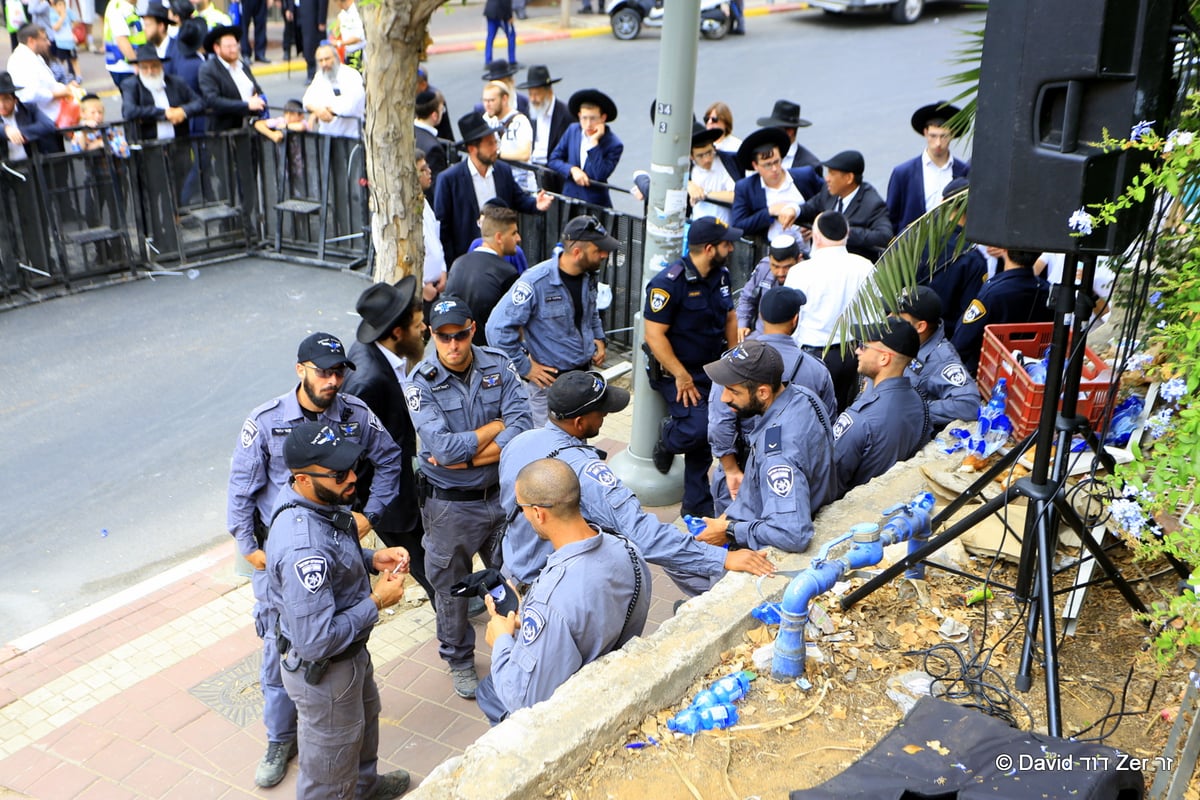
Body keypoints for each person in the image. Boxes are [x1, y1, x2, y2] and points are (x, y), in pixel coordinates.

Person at [227, 332, 402, 789]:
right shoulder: (266, 421)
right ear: (299, 369)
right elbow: (241, 488)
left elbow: (389, 461)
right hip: (286, 553)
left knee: (357, 703)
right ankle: (281, 738)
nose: (332, 380)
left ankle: (361, 782)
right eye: (322, 371)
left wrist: (366, 531)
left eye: (339, 371)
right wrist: (250, 548)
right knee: (282, 648)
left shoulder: (354, 415)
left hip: (332, 541)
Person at [499, 371, 775, 592]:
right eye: (601, 411)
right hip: (554, 591)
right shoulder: (587, 472)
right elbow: (645, 536)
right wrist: (724, 558)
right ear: (580, 423)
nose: (606, 415)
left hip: (513, 576)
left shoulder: (519, 443)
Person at [265, 421, 412, 800]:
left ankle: (365, 787)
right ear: (302, 478)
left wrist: (371, 558)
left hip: (350, 656)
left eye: (350, 466)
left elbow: (336, 553)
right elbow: (316, 641)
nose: (351, 478)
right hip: (326, 671)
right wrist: (377, 601)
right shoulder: (303, 550)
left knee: (363, 727)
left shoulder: (317, 500)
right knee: (330, 771)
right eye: (337, 473)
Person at [405, 296, 533, 700]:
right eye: (443, 337)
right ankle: (459, 658)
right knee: (451, 588)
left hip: (501, 495)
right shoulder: (419, 382)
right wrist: (493, 429)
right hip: (450, 506)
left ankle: (516, 642)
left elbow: (522, 426)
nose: (453, 345)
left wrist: (470, 454)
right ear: (432, 335)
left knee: (511, 575)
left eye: (460, 335)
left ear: (472, 329)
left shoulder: (498, 364)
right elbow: (441, 449)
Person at [476, 458, 651, 724]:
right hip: (613, 675)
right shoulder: (627, 549)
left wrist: (501, 639)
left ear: (538, 513)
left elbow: (522, 700)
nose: (522, 514)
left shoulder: (550, 600)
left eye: (521, 508)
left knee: (490, 693)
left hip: (570, 710)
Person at [342, 278, 438, 607]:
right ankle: (451, 622)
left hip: (403, 488)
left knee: (431, 559)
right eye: (416, 324)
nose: (424, 328)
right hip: (389, 502)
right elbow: (353, 454)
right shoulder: (368, 381)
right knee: (428, 565)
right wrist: (369, 511)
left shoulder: (385, 358)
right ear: (396, 332)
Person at [697, 339, 836, 553]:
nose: (724, 398)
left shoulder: (777, 454)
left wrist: (730, 530)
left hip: (759, 550)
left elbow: (792, 534)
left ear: (762, 392)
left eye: (733, 391)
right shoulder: (803, 395)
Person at [644, 216, 739, 519]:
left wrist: (734, 356)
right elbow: (654, 335)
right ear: (710, 248)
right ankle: (668, 436)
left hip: (712, 368)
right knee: (699, 430)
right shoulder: (668, 283)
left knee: (715, 429)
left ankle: (696, 507)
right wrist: (681, 375)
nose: (732, 248)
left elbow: (730, 318)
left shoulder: (721, 275)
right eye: (727, 244)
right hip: (678, 372)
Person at [710, 286, 836, 514]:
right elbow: (826, 428)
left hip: (740, 471)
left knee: (734, 539)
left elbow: (720, 423)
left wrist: (730, 470)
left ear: (760, 316)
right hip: (795, 480)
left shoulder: (733, 362)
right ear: (795, 320)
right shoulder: (816, 370)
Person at [487, 214, 613, 427]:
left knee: (578, 446)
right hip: (550, 387)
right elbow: (496, 330)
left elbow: (590, 311)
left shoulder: (588, 274)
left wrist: (599, 338)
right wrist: (525, 367)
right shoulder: (536, 281)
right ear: (576, 252)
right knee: (548, 453)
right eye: (597, 250)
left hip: (582, 378)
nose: (604, 254)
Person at [433, 110, 551, 265]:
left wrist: (536, 204)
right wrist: (450, 266)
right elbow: (443, 228)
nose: (495, 148)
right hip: (467, 260)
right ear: (472, 149)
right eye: (489, 143)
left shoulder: (502, 170)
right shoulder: (449, 180)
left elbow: (517, 199)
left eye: (495, 142)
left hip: (502, 256)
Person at [832, 317, 932, 499]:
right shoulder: (918, 402)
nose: (857, 351)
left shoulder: (859, 419)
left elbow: (832, 479)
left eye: (864, 346)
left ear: (884, 358)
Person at [783, 211, 873, 412]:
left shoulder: (800, 271)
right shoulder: (863, 266)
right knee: (841, 412)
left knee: (810, 413)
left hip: (813, 355)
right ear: (847, 233)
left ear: (815, 236)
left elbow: (790, 319)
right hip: (851, 355)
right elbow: (873, 317)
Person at [951, 248, 1054, 376]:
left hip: (985, 372)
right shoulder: (1048, 291)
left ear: (1005, 250)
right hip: (1031, 371)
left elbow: (962, 340)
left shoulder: (993, 292)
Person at [891, 285, 978, 428]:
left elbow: (969, 405)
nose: (890, 319)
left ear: (920, 327)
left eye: (897, 317)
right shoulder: (903, 339)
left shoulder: (941, 359)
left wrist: (912, 409)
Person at [916, 177, 987, 337]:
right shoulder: (973, 260)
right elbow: (967, 318)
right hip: (939, 339)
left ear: (943, 202)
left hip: (901, 334)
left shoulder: (911, 239)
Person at [443, 202, 522, 345]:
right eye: (514, 233)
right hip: (492, 357)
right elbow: (515, 323)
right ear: (499, 237)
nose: (518, 238)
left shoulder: (458, 264)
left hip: (456, 350)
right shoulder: (507, 273)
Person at [887, 101, 970, 233]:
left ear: (952, 134)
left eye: (943, 136)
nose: (938, 143)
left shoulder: (964, 171)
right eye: (933, 136)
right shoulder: (903, 173)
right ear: (925, 133)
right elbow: (891, 217)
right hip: (912, 247)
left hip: (953, 246)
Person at [797, 150, 893, 262]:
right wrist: (793, 210)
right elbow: (810, 208)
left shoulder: (872, 204)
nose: (827, 178)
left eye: (832, 173)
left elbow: (884, 236)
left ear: (849, 178)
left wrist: (840, 232)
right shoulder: (828, 191)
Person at [731, 126, 822, 241]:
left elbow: (828, 197)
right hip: (772, 252)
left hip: (808, 249)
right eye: (767, 165)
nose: (774, 169)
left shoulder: (805, 176)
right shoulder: (746, 188)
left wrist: (817, 225)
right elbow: (738, 226)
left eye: (777, 162)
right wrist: (769, 212)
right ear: (755, 166)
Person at [548, 89, 623, 208]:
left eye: (593, 118)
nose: (588, 124)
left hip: (595, 205)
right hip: (569, 201)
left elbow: (599, 175)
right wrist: (572, 169)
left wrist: (594, 143)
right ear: (579, 116)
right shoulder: (573, 130)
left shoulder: (614, 144)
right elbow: (553, 159)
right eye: (584, 118)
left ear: (603, 118)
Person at [121, 43, 203, 142]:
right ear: (138, 68)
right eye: (145, 67)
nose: (150, 71)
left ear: (161, 66)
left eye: (154, 66)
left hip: (179, 144)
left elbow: (199, 102)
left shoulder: (176, 82)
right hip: (149, 146)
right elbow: (129, 111)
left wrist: (182, 111)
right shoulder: (131, 85)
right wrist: (164, 113)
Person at [198, 25, 266, 132]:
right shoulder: (209, 69)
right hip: (224, 132)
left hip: (250, 128)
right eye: (229, 47)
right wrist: (246, 105)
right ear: (217, 48)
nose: (234, 50)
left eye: (235, 45)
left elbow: (256, 88)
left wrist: (259, 98)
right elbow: (213, 100)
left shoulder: (242, 66)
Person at [735, 234, 801, 340]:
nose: (780, 273)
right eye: (775, 266)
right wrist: (743, 323)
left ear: (799, 259)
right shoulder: (764, 267)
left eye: (787, 267)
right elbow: (747, 298)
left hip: (794, 339)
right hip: (761, 335)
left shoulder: (808, 274)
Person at [8, 23, 75, 124]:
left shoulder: (34, 56)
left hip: (52, 117)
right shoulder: (21, 60)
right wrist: (59, 94)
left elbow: (48, 83)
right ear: (31, 40)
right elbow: (29, 95)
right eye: (44, 39)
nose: (48, 43)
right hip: (43, 122)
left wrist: (66, 88)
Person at [518, 64, 570, 194]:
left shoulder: (565, 114)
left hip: (555, 176)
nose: (533, 99)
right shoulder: (528, 113)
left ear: (549, 91)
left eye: (537, 94)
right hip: (533, 172)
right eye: (530, 94)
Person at [481, 78, 534, 192]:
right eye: (485, 100)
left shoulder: (520, 121)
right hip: (496, 183)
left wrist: (497, 154)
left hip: (522, 186)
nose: (487, 105)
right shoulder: (485, 119)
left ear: (504, 99)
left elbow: (525, 154)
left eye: (491, 100)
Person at [302, 44, 365, 138]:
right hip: (326, 136)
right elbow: (307, 101)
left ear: (336, 58)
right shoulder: (320, 76)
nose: (324, 64)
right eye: (320, 60)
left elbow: (349, 107)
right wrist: (317, 110)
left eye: (327, 59)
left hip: (351, 137)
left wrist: (322, 110)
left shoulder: (351, 75)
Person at [687, 120, 739, 225]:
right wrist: (688, 184)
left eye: (709, 152)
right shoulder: (688, 169)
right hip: (698, 226)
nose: (707, 159)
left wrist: (705, 194)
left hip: (723, 228)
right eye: (700, 156)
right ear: (691, 156)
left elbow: (737, 196)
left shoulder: (725, 163)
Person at [417, 148, 447, 317]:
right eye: (422, 170)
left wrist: (442, 270)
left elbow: (435, 239)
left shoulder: (425, 202)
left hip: (434, 287)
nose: (429, 172)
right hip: (421, 291)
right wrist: (421, 286)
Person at [0, 70, 55, 160]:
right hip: (5, 169)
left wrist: (20, 132)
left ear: (15, 100)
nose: (2, 105)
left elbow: (48, 125)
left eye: (6, 99)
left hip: (31, 165)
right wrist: (5, 130)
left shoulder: (28, 109)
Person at [755, 99, 821, 171]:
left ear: (790, 132)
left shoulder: (810, 166)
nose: (770, 133)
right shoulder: (759, 157)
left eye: (775, 129)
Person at [414, 89, 449, 196]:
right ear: (434, 115)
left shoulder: (410, 132)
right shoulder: (433, 148)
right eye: (441, 110)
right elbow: (436, 187)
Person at [103, 0, 142, 89]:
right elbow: (121, 40)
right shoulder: (119, 8)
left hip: (125, 66)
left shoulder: (124, 6)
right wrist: (136, 64)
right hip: (126, 67)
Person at [47, 0, 80, 79]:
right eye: (59, 5)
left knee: (74, 59)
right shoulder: (53, 14)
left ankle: (78, 76)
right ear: (55, 6)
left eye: (62, 5)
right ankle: (62, 76)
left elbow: (76, 21)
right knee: (61, 60)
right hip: (60, 43)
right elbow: (55, 28)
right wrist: (62, 17)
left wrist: (71, 30)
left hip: (70, 42)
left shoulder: (68, 11)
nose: (61, 7)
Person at [330, 0, 364, 72]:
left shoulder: (357, 12)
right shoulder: (343, 13)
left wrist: (339, 43)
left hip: (359, 53)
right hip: (348, 52)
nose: (336, 5)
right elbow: (336, 30)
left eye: (336, 2)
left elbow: (359, 37)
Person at [482, 0, 514, 67]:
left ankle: (488, 61)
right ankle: (512, 60)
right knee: (511, 35)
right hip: (501, 15)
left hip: (490, 11)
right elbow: (506, 3)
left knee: (490, 37)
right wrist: (509, 17)